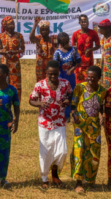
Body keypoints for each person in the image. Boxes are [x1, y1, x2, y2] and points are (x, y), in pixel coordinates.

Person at [28, 60, 70, 189]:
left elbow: (68, 95)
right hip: (45, 122)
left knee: (62, 151)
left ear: (59, 72)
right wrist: (40, 103)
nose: (53, 76)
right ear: (46, 73)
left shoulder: (65, 83)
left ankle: (55, 174)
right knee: (45, 151)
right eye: (50, 74)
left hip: (60, 121)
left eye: (55, 73)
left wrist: (67, 101)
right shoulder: (40, 85)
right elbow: (31, 100)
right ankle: (45, 178)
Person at [70, 65, 105, 193]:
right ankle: (78, 182)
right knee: (79, 151)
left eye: (93, 77)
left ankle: (90, 180)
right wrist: (74, 115)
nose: (90, 79)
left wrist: (103, 116)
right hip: (80, 125)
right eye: (88, 77)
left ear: (99, 78)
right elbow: (73, 104)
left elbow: (103, 108)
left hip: (94, 127)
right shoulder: (80, 87)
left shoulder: (102, 91)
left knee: (94, 153)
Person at [0, 16, 26, 100]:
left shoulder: (19, 36)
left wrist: (16, 54)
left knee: (16, 84)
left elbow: (23, 49)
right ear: (5, 26)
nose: (12, 25)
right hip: (5, 63)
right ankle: (5, 101)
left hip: (15, 64)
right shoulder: (0, 37)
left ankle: (16, 103)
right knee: (4, 82)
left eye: (13, 23)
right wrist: (6, 52)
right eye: (10, 24)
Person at [72, 15, 100, 83]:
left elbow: (98, 46)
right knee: (78, 81)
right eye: (82, 21)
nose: (84, 23)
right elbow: (73, 47)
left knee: (89, 80)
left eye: (86, 21)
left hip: (88, 62)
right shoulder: (76, 34)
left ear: (88, 22)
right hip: (78, 62)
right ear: (79, 23)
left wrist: (91, 49)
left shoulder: (93, 33)